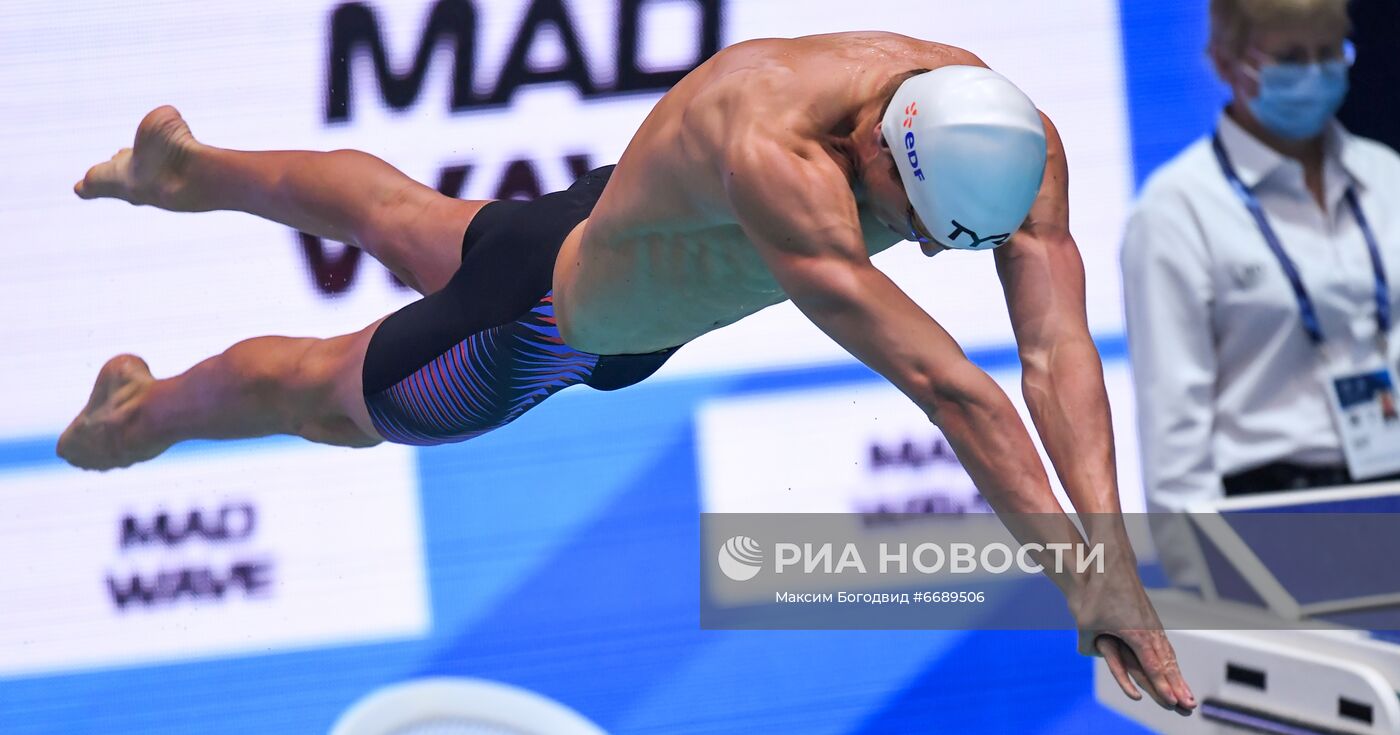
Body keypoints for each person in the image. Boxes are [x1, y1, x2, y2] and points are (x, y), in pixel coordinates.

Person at [59, 32, 1194, 713]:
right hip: (537, 332)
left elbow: (1054, 351)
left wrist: (1109, 555)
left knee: (411, 218)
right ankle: (139, 415)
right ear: (870, 153)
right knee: (327, 395)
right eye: (910, 226)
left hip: (605, 221)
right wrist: (1083, 581)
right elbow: (956, 390)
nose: (925, 253)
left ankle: (187, 171)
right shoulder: (781, 165)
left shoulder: (998, 131)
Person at [1121, 1, 1400, 582]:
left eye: (1329, 53)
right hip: (1273, 521)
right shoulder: (1176, 210)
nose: (1315, 74)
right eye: (1291, 58)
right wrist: (1205, 589)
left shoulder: (1387, 176)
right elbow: (1175, 433)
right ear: (1226, 61)